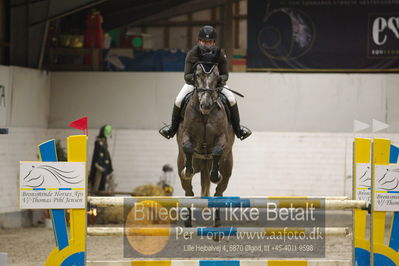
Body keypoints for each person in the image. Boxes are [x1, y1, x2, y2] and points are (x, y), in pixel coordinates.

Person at [159, 25, 251, 141]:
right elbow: (186, 76)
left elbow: (225, 75)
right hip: (195, 84)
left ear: (213, 42)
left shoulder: (219, 54)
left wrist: (216, 81)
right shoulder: (192, 53)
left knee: (232, 99)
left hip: (215, 85)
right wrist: (199, 80)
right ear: (199, 41)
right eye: (204, 41)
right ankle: (172, 129)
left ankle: (238, 130)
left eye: (209, 41)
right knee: (178, 100)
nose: (206, 44)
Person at [88, 124, 114, 194]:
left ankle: (102, 192)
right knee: (98, 182)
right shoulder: (98, 142)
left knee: (104, 182)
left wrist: (109, 167)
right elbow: (97, 155)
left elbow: (106, 155)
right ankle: (95, 192)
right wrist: (98, 165)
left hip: (105, 166)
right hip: (99, 167)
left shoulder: (105, 143)